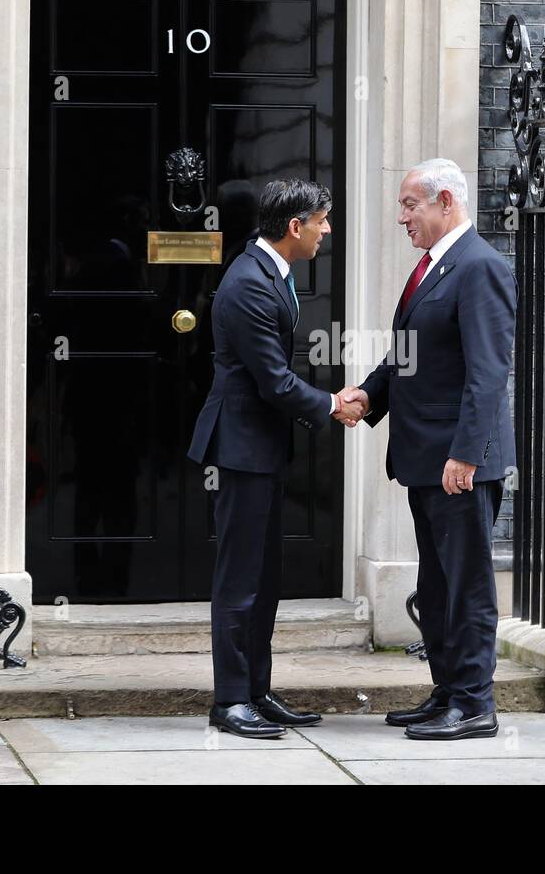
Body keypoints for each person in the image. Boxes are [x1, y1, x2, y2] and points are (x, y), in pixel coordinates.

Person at [337, 158, 517, 741]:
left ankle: (474, 703)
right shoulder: (433, 268)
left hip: (458, 463)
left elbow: (488, 374)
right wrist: (368, 395)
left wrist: (466, 455)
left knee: (467, 585)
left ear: (445, 201)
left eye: (410, 204)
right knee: (438, 585)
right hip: (427, 461)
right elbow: (407, 357)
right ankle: (447, 692)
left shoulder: (480, 267)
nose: (401, 217)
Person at [188, 178, 364, 739]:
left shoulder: (272, 273)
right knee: (239, 579)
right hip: (240, 449)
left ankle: (256, 691)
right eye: (322, 220)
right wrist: (333, 404)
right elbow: (273, 381)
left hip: (261, 447)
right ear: (295, 226)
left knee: (264, 577)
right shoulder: (248, 285)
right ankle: (230, 699)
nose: (326, 230)